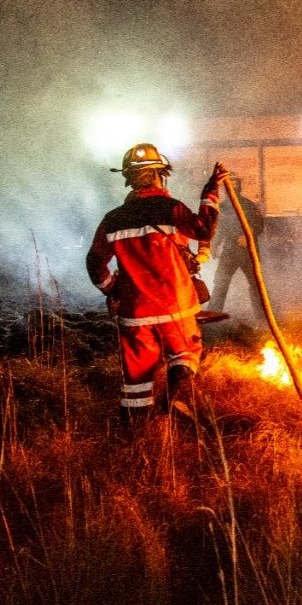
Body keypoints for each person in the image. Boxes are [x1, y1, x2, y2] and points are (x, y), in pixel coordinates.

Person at [86, 143, 226, 422]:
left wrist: (112, 289)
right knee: (186, 352)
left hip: (135, 312)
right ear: (160, 175)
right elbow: (204, 228)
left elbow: (94, 263)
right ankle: (174, 394)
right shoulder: (171, 209)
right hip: (176, 306)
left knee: (136, 378)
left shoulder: (113, 219)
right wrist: (210, 191)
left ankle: (138, 434)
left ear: (129, 180)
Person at [207, 177, 265, 323]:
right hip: (230, 251)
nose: (232, 191)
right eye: (230, 188)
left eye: (235, 187)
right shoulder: (223, 207)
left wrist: (248, 234)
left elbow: (259, 225)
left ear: (239, 189)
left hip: (248, 252)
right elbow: (219, 229)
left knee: (256, 284)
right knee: (221, 282)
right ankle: (213, 317)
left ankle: (262, 318)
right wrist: (214, 245)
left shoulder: (248, 205)